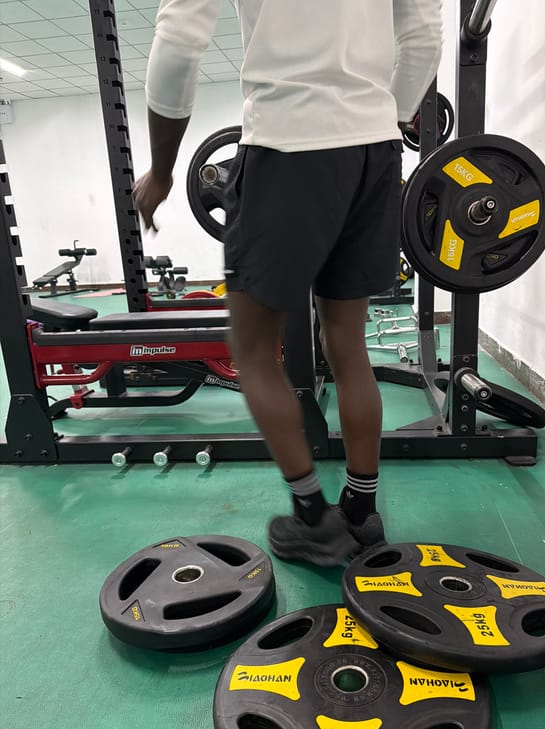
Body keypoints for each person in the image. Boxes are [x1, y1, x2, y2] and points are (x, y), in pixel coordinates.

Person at [133, 0, 443, 567]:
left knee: (251, 349)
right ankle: (361, 513)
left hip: (286, 144)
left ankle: (312, 519)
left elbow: (179, 39)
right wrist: (384, 120)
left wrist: (162, 168)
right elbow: (424, 32)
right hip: (375, 152)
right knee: (348, 345)